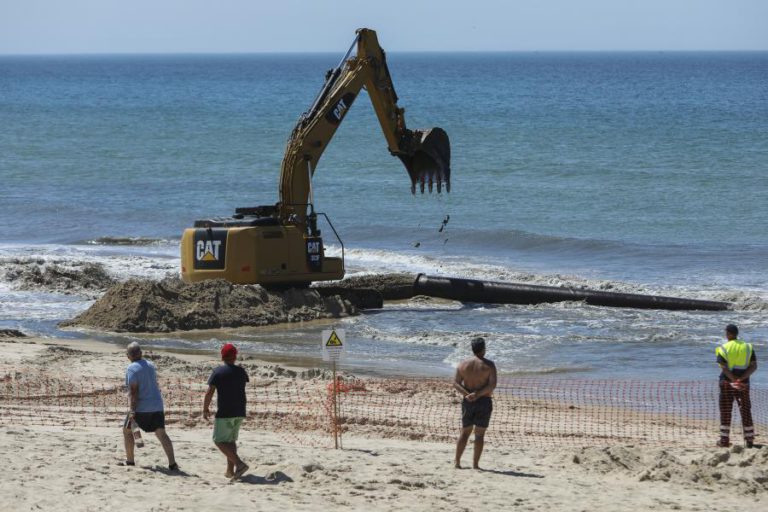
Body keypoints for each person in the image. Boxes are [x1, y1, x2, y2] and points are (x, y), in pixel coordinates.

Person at [122, 342, 178, 470]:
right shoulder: (150, 365)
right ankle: (172, 463)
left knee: (127, 431)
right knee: (161, 434)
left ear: (128, 356)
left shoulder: (131, 368)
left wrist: (132, 411)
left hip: (142, 406)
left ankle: (130, 461)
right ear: (141, 353)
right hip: (157, 405)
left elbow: (134, 392)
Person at [203, 343, 250, 480]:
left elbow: (209, 392)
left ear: (222, 356)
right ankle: (230, 471)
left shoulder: (218, 372)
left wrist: (205, 409)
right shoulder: (241, 372)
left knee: (218, 440)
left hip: (225, 412)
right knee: (230, 440)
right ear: (235, 357)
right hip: (240, 410)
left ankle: (239, 464)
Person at [453, 337, 497, 469]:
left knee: (465, 432)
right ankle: (475, 465)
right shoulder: (489, 365)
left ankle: (457, 462)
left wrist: (468, 395)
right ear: (483, 349)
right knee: (479, 435)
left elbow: (455, 383)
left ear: (472, 349)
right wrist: (477, 394)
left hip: (468, 402)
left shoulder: (463, 364)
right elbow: (492, 385)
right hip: (483, 401)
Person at [716, 324, 757, 448]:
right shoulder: (748, 347)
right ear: (737, 334)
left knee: (726, 411)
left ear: (728, 334)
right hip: (743, 384)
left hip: (727, 383)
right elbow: (754, 366)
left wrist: (733, 379)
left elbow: (723, 367)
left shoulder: (723, 347)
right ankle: (749, 440)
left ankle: (724, 440)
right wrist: (741, 379)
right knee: (745, 410)